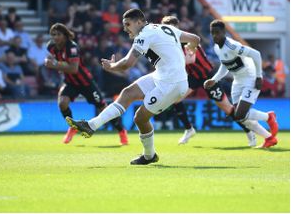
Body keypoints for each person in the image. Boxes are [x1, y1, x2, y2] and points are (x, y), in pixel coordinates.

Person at [66, 9, 200, 165]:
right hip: (163, 76)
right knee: (128, 93)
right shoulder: (165, 27)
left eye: (128, 24)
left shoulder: (144, 35)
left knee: (140, 118)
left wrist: (111, 67)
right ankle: (91, 125)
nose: (125, 29)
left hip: (172, 84)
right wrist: (192, 48)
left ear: (139, 22)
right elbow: (195, 38)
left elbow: (127, 64)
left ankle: (149, 156)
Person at [159, 16, 256, 147]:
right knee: (175, 99)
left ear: (177, 28)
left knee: (227, 108)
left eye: (172, 28)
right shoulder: (171, 45)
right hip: (193, 77)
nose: (169, 31)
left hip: (208, 77)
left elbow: (191, 60)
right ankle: (189, 129)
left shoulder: (188, 40)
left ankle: (249, 131)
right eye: (166, 28)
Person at [45, 24, 128, 145]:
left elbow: (74, 69)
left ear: (65, 35)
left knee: (103, 108)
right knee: (62, 103)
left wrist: (55, 64)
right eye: (53, 34)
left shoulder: (72, 47)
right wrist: (49, 61)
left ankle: (121, 131)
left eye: (58, 34)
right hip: (70, 82)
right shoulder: (51, 47)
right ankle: (73, 127)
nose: (55, 37)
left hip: (85, 82)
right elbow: (50, 58)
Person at [206, 20, 280, 149]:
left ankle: (269, 117)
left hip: (250, 78)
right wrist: (214, 79)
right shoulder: (217, 48)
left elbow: (256, 54)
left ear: (224, 32)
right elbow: (225, 65)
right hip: (237, 80)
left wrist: (259, 76)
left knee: (240, 114)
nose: (214, 36)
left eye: (217, 33)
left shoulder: (232, 46)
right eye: (212, 33)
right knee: (239, 117)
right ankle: (269, 138)